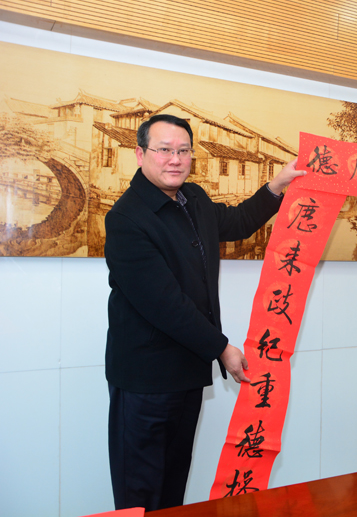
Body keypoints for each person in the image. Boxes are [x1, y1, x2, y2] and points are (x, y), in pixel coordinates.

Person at [104, 114, 305, 511]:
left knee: (173, 485)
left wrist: (277, 185)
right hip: (145, 379)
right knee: (139, 492)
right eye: (164, 150)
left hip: (187, 372)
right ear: (140, 154)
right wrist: (222, 348)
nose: (175, 159)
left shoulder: (192, 199)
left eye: (183, 151)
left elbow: (239, 221)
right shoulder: (126, 218)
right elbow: (165, 304)